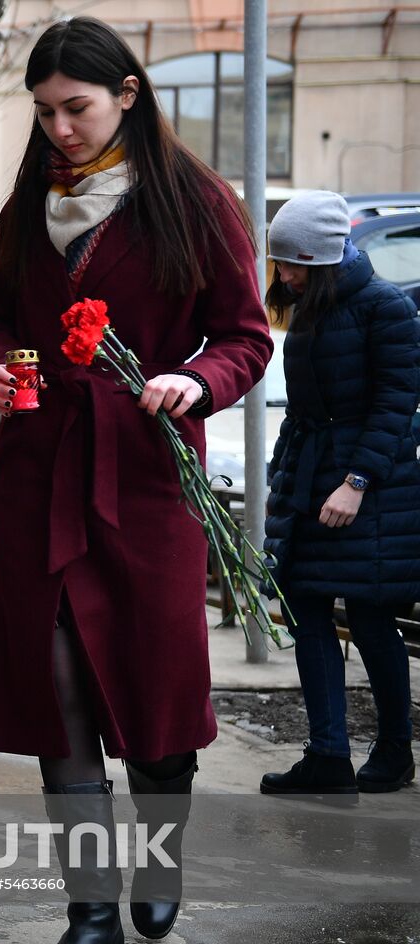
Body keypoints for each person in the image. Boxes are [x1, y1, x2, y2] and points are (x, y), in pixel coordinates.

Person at [0, 17, 273, 944]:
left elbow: (244, 337)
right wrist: (1, 372)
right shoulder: (27, 207)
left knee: (154, 703)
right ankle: (90, 923)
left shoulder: (195, 202)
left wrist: (193, 381)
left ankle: (164, 855)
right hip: (36, 480)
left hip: (144, 485)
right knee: (58, 702)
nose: (58, 129)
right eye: (45, 111)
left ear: (128, 96)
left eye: (77, 108)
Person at [259, 190, 419, 801]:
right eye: (280, 264)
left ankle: (395, 750)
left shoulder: (386, 308)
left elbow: (396, 406)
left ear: (326, 258)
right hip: (311, 478)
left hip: (371, 488)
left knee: (374, 616)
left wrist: (356, 483)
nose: (286, 276)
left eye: (295, 264)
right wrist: (288, 475)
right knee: (304, 606)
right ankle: (327, 753)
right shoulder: (311, 309)